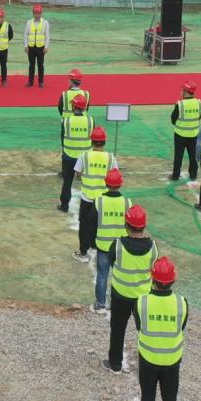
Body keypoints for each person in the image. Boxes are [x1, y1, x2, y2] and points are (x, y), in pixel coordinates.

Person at [105, 205, 157, 373]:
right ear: (144, 225)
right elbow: (153, 268)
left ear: (126, 225)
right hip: (143, 297)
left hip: (120, 295)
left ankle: (115, 363)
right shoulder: (153, 247)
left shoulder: (117, 245)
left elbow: (112, 262)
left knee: (117, 330)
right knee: (146, 331)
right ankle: (150, 363)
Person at [133, 258, 189, 401]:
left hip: (148, 358)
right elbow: (181, 327)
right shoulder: (181, 302)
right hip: (172, 359)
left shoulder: (141, 301)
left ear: (153, 278)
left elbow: (139, 326)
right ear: (173, 280)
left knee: (147, 399)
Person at [73, 127, 118, 262]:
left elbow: (78, 172)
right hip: (103, 199)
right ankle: (95, 245)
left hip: (87, 197)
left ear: (91, 141)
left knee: (84, 224)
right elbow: (115, 175)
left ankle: (83, 252)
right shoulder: (110, 158)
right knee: (99, 224)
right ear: (104, 141)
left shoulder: (84, 155)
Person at [93, 169, 131, 312]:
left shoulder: (99, 201)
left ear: (106, 183)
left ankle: (100, 304)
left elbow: (91, 224)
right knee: (119, 275)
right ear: (121, 184)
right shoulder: (127, 202)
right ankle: (118, 304)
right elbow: (130, 225)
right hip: (121, 246)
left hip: (103, 245)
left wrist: (92, 242)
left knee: (102, 275)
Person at [59, 95, 95, 212]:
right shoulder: (90, 121)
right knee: (88, 182)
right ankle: (91, 206)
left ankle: (64, 206)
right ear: (84, 108)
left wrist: (65, 151)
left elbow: (62, 137)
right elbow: (93, 138)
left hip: (69, 155)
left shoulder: (67, 121)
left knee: (67, 181)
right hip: (86, 157)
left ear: (73, 106)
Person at [169, 81, 201, 182]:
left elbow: (173, 119)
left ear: (185, 91)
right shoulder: (199, 103)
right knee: (193, 156)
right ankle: (193, 174)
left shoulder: (180, 105)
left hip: (180, 135)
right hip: (194, 134)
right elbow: (199, 117)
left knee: (178, 156)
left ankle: (175, 175)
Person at [24, 4, 50, 87]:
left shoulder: (45, 23)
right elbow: (25, 34)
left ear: (41, 13)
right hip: (31, 47)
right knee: (31, 65)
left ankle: (41, 82)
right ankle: (30, 82)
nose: (37, 15)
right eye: (35, 13)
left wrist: (46, 46)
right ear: (33, 13)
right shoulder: (29, 22)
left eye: (38, 13)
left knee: (40, 65)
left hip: (41, 47)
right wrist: (26, 46)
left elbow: (47, 35)